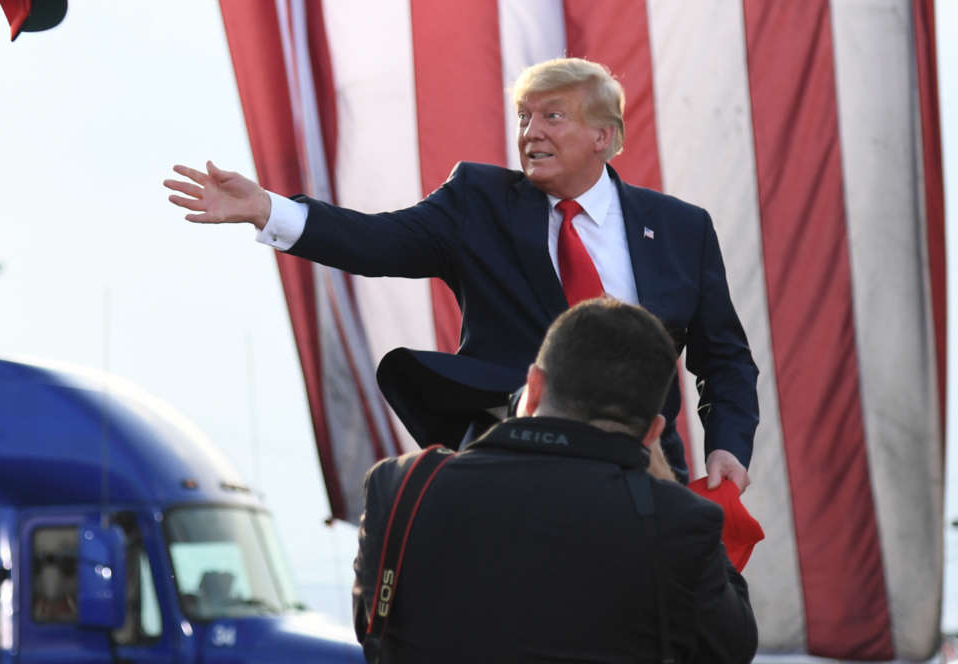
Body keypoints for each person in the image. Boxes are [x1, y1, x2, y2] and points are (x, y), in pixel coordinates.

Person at [164, 56, 758, 490]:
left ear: (605, 136)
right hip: (515, 468)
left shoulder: (681, 229)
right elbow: (379, 243)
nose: (531, 133)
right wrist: (272, 210)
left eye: (553, 116)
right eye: (525, 118)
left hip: (645, 473)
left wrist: (729, 445)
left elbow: (724, 357)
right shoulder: (479, 200)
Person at [352, 299, 758, 662]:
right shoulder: (680, 525)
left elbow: (372, 628)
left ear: (533, 387)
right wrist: (662, 480)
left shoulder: (402, 488)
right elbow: (731, 648)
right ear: (653, 432)